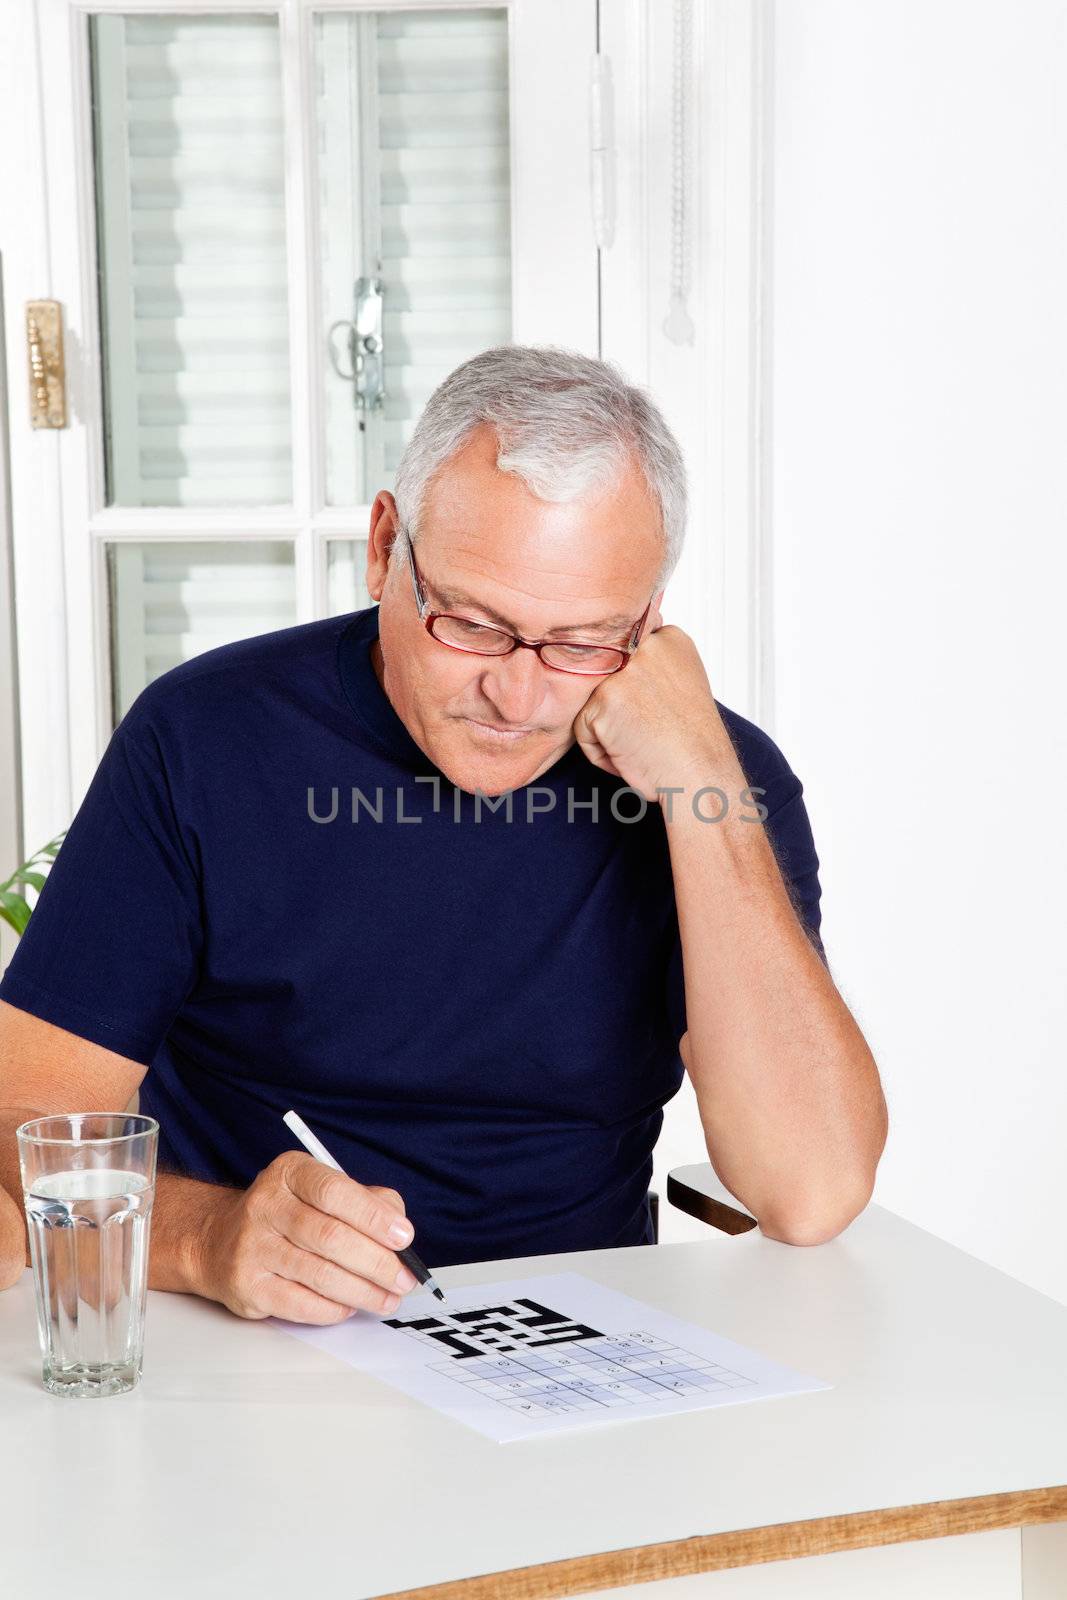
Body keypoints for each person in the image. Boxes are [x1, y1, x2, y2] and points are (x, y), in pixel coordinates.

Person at [0, 346, 887, 1319]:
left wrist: (703, 788)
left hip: (575, 1345)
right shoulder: (204, 738)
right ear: (385, 547)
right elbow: (25, 1119)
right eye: (470, 623)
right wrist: (204, 1235)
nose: (516, 694)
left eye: (585, 642)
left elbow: (808, 1192)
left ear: (652, 621)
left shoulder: (713, 778)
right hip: (254, 1340)